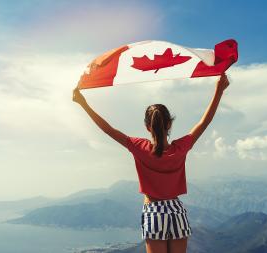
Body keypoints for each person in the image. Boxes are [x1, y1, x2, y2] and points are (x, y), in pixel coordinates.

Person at [72, 73, 230, 253]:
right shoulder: (180, 148)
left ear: (148, 126)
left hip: (154, 211)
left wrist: (83, 103)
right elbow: (205, 121)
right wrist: (218, 90)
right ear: (169, 124)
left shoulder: (140, 147)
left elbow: (108, 130)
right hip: (176, 211)